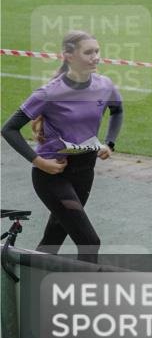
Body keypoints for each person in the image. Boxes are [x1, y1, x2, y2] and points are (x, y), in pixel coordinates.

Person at [1, 30, 123, 264]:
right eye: (88, 52)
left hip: (85, 172)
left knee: (53, 239)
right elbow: (9, 129)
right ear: (68, 55)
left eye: (97, 51)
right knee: (89, 241)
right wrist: (39, 162)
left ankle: (31, 289)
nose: (95, 57)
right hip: (52, 175)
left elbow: (117, 110)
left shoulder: (104, 85)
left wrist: (109, 143)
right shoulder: (50, 92)